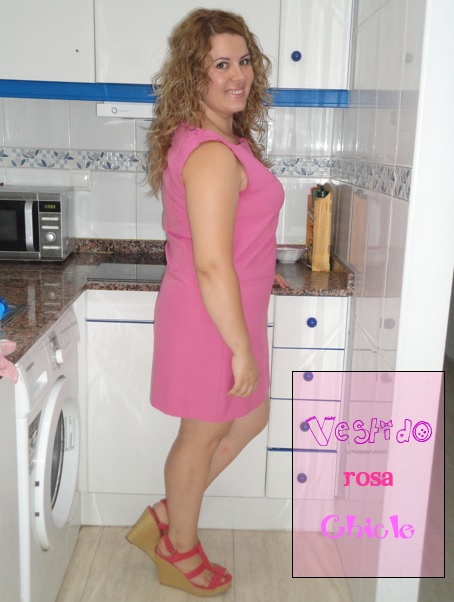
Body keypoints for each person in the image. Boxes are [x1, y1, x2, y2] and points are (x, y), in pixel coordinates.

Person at [126, 8, 286, 597]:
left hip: (228, 308)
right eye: (220, 64)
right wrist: (240, 348)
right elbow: (211, 263)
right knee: (202, 435)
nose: (237, 74)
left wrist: (262, 270)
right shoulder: (212, 153)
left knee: (250, 417)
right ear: (194, 75)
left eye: (243, 61)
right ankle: (179, 548)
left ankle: (168, 517)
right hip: (211, 318)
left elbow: (228, 242)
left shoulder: (218, 140)